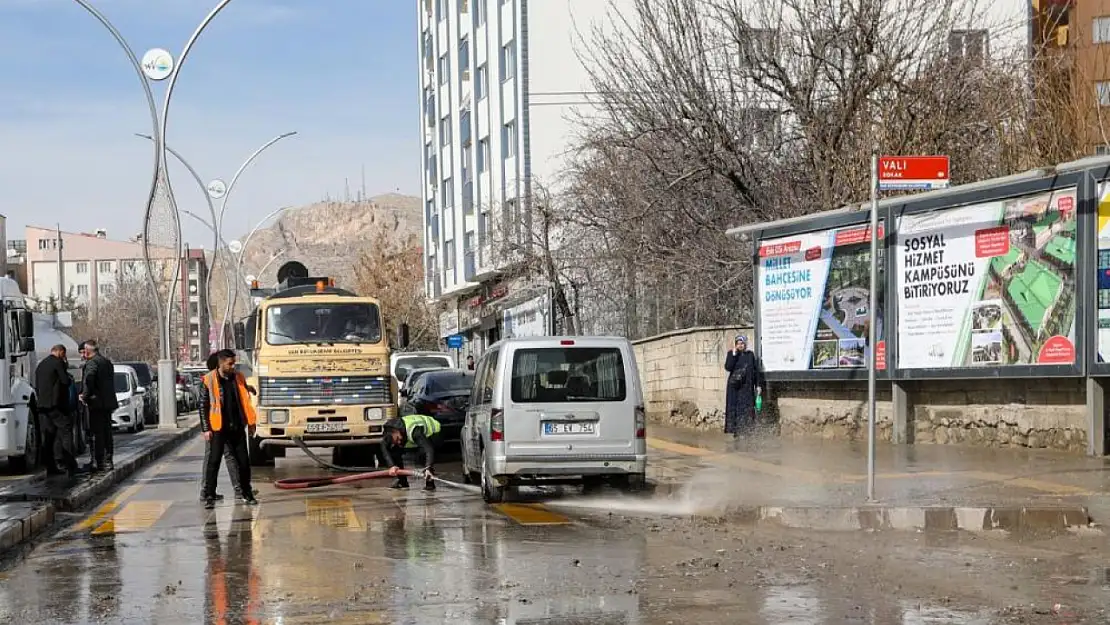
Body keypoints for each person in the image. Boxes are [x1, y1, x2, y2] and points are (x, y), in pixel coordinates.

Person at [199, 349, 258, 509]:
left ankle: (247, 492)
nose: (233, 366)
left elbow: (245, 401)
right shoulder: (208, 380)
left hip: (237, 427)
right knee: (214, 462)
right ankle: (209, 495)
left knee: (244, 463)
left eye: (234, 363)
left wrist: (251, 424)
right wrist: (206, 428)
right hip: (218, 428)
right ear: (221, 363)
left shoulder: (238, 378)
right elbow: (203, 406)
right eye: (230, 363)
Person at [35, 344, 80, 477]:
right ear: (60, 352)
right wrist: (65, 365)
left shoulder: (41, 364)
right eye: (64, 354)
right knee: (66, 432)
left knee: (49, 436)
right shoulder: (58, 363)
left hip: (43, 406)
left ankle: (51, 467)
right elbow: (65, 381)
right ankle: (70, 465)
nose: (64, 357)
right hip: (56, 406)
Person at [80, 339, 117, 472]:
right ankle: (108, 460)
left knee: (96, 433)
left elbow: (89, 380)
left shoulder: (92, 363)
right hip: (108, 403)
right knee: (107, 433)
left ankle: (98, 461)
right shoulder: (107, 362)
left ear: (88, 351)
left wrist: (84, 396)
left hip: (96, 403)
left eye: (84, 351)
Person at [380, 414, 441, 491]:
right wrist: (392, 466)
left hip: (434, 433)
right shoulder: (390, 435)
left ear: (397, 431)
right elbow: (384, 449)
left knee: (423, 454)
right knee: (395, 452)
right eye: (396, 441)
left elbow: (429, 449)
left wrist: (428, 468)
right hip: (415, 436)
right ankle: (402, 482)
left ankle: (430, 483)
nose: (399, 441)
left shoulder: (414, 430)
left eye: (398, 438)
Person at [723, 334, 764, 438]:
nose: (740, 345)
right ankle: (737, 433)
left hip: (747, 388)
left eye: (742, 343)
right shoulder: (732, 354)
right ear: (736, 344)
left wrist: (758, 385)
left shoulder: (750, 355)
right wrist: (734, 353)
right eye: (738, 343)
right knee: (736, 410)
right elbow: (728, 367)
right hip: (735, 389)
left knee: (747, 410)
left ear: (745, 344)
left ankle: (747, 432)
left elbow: (755, 371)